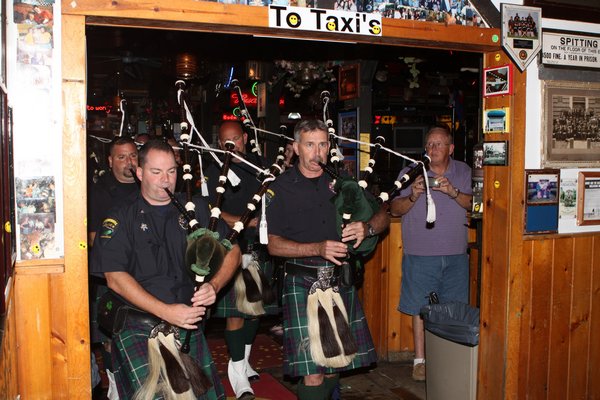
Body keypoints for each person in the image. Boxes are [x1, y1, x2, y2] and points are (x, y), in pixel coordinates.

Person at [91, 139, 242, 399]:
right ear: (139, 173)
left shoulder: (197, 210)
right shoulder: (121, 216)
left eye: (171, 171)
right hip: (139, 325)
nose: (165, 180)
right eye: (156, 172)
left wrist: (213, 285)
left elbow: (233, 251)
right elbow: (115, 278)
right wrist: (166, 312)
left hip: (188, 322)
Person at [265, 119, 389, 400]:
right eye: (309, 145)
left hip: (339, 281)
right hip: (301, 283)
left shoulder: (343, 182)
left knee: (336, 364)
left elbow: (383, 213)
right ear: (296, 148)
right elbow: (273, 245)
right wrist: (317, 248)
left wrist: (367, 227)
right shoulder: (280, 187)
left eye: (323, 144)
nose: (317, 152)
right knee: (313, 371)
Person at [389, 124, 472, 382]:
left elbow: (477, 204)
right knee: (419, 308)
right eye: (429, 145)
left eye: (438, 144)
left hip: (457, 254)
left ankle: (451, 358)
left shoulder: (464, 171)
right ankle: (420, 361)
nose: (433, 149)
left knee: (454, 308)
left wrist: (452, 192)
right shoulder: (411, 172)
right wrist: (413, 195)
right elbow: (394, 208)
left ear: (451, 148)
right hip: (420, 253)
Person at [204, 121, 277, 400]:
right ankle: (237, 374)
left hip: (260, 247)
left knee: (255, 310)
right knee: (235, 315)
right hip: (230, 247)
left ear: (245, 138)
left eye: (235, 139)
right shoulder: (213, 170)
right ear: (218, 143)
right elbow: (212, 211)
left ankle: (243, 362)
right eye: (225, 141)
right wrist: (246, 223)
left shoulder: (261, 166)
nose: (231, 145)